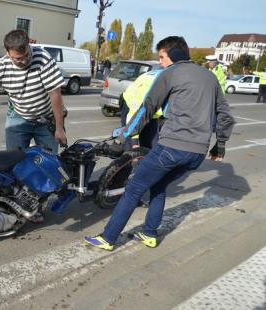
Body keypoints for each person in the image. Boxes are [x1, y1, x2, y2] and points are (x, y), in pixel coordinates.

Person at [84, 36, 235, 251]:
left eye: (162, 57)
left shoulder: (170, 73)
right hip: (197, 153)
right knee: (158, 185)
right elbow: (225, 115)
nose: (161, 62)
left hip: (172, 147)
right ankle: (149, 233)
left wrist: (123, 137)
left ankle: (108, 238)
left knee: (133, 188)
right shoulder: (209, 77)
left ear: (173, 55)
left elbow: (146, 109)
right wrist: (220, 145)